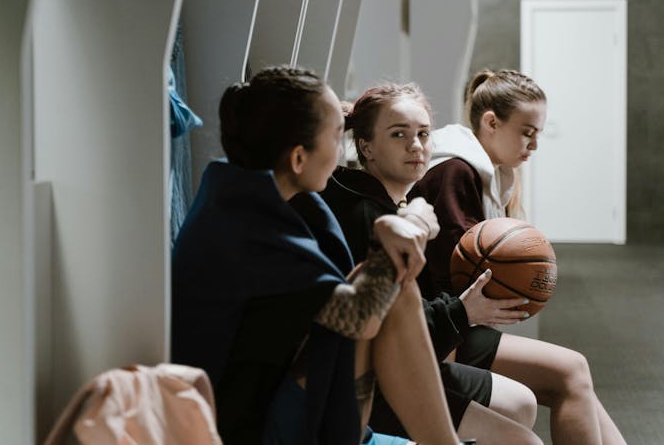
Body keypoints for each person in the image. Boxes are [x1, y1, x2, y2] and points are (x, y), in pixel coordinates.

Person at [171, 66, 462, 445]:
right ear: (297, 158)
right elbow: (358, 318)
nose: (343, 153)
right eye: (336, 137)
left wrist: (389, 229)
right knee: (396, 288)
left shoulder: (244, 189)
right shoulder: (250, 224)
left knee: (388, 282)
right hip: (249, 432)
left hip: (274, 399)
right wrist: (412, 223)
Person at [412, 69, 626, 445]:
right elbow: (459, 278)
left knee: (575, 375)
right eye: (528, 133)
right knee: (572, 371)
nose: (535, 145)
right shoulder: (454, 171)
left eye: (538, 134)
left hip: (452, 323)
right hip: (439, 331)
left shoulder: (484, 172)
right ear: (491, 122)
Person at [321, 84, 542, 444]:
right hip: (371, 382)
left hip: (398, 360)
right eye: (399, 135)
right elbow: (394, 330)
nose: (416, 145)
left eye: (423, 133)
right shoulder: (370, 217)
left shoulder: (396, 206)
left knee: (520, 403)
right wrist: (462, 312)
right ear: (366, 147)